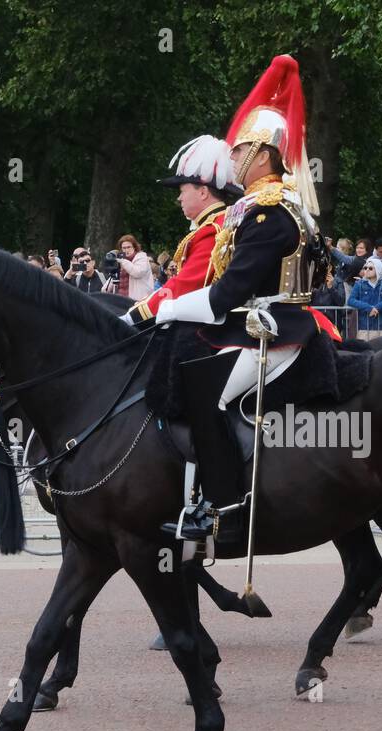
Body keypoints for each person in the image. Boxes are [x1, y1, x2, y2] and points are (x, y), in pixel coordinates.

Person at [152, 54, 328, 543]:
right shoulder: (261, 207)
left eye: (239, 151)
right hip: (254, 326)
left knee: (209, 399)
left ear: (264, 155)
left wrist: (164, 308)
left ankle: (225, 510)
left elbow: (225, 295)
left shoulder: (271, 212)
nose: (231, 159)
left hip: (272, 331)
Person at [127, 135, 242, 322]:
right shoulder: (217, 223)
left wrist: (137, 315)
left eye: (182, 191)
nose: (179, 198)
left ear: (203, 192)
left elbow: (186, 286)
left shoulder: (213, 229)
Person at [347, 260, 382, 340]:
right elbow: (351, 300)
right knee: (365, 352)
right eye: (365, 268)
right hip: (364, 327)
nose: (366, 270)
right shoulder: (359, 283)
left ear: (377, 269)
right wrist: (369, 308)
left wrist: (378, 307)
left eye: (370, 268)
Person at [114, 234, 154, 300]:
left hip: (138, 301)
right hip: (121, 299)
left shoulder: (142, 258)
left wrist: (123, 262)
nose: (126, 250)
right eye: (124, 248)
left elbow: (137, 272)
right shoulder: (122, 261)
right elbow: (115, 278)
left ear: (134, 247)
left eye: (129, 247)